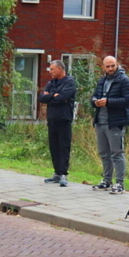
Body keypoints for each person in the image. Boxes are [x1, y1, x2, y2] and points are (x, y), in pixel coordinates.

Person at [91, 56, 129, 195]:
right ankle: (106, 180)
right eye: (107, 66)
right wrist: (95, 101)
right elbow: (93, 96)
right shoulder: (102, 80)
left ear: (117, 65)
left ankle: (120, 183)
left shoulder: (124, 80)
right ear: (103, 67)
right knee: (104, 153)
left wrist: (108, 102)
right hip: (101, 121)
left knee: (117, 153)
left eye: (112, 66)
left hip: (115, 122)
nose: (110, 69)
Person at [39, 59, 76, 187]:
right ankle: (56, 173)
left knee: (63, 147)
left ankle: (63, 174)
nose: (50, 72)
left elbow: (63, 97)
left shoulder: (69, 82)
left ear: (60, 69)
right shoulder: (51, 82)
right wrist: (52, 96)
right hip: (52, 119)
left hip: (64, 120)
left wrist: (52, 97)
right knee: (53, 147)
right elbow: (41, 98)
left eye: (52, 69)